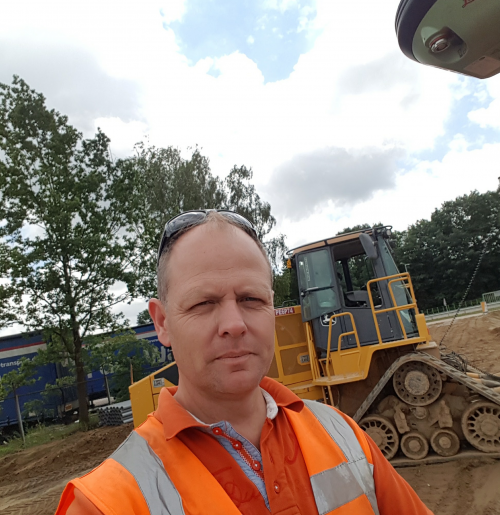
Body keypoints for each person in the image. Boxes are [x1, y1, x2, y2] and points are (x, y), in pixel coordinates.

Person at [56, 209, 433, 515]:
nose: (234, 324)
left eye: (251, 299)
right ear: (162, 323)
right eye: (204, 303)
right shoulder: (105, 504)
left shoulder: (345, 437)